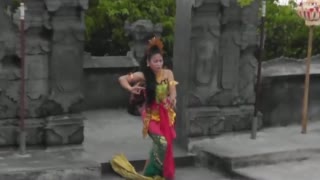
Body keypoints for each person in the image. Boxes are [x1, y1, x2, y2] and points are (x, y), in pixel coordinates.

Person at [117, 37, 178, 180]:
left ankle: (147, 172)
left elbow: (173, 89)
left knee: (162, 145)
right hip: (151, 116)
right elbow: (122, 79)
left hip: (166, 114)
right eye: (155, 61)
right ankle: (150, 175)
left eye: (160, 61)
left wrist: (173, 98)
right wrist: (130, 88)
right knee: (161, 143)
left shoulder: (168, 73)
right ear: (148, 62)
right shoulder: (142, 75)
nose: (158, 64)